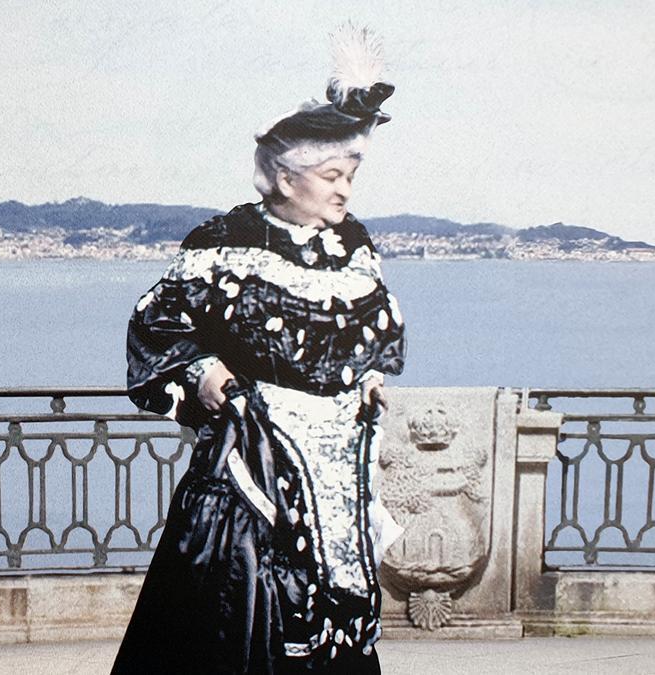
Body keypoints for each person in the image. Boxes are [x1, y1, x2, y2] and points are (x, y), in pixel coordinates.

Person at [112, 26, 405, 674]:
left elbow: (373, 336)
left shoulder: (351, 245)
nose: (344, 191)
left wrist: (369, 380)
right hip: (245, 485)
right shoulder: (225, 239)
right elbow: (153, 325)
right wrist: (204, 369)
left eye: (350, 175)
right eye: (331, 175)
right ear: (284, 175)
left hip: (334, 489)